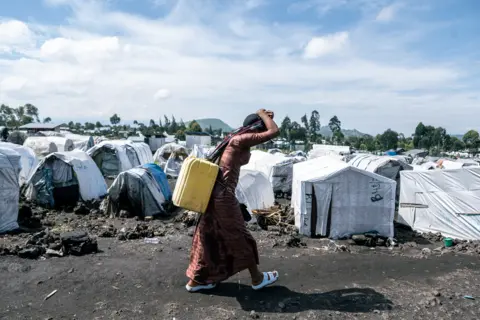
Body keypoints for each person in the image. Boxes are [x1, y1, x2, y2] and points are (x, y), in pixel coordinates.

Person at [186, 109, 280, 292]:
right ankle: (257, 278)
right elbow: (274, 132)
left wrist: (265, 117)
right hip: (224, 196)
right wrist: (262, 114)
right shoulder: (240, 140)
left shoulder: (234, 139)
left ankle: (196, 281)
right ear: (255, 130)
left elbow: (268, 129)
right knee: (240, 237)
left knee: (208, 235)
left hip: (215, 194)